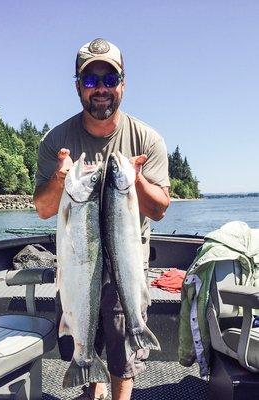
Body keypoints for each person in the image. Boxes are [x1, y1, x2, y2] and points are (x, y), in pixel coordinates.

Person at [34, 38, 170, 400]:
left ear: (123, 84)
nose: (101, 90)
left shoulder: (146, 138)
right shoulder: (56, 140)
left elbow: (158, 209)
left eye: (109, 80)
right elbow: (44, 209)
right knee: (87, 327)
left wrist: (135, 178)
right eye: (91, 82)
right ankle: (93, 389)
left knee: (122, 344)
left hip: (126, 258)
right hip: (80, 256)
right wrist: (62, 177)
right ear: (78, 87)